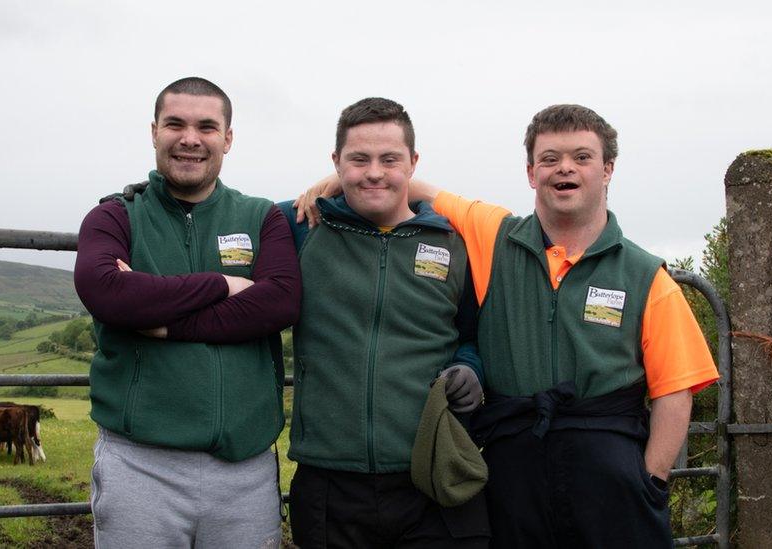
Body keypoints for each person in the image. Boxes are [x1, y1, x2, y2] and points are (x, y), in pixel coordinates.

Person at [296, 104, 719, 548]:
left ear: (608, 169)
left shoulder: (645, 274)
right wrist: (337, 182)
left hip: (609, 470)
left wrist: (649, 481)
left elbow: (675, 389)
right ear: (531, 172)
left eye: (582, 157)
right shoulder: (493, 234)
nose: (565, 169)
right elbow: (411, 187)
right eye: (550, 158)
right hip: (513, 467)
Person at [74, 76, 300, 548]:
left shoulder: (262, 217)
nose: (190, 139)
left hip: (246, 470)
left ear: (228, 138)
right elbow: (107, 293)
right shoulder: (116, 215)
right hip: (140, 466)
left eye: (207, 127)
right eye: (175, 124)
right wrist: (220, 284)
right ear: (154, 131)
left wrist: (165, 323)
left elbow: (278, 302)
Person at [280, 97, 490, 548]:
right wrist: (141, 201)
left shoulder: (455, 243)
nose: (374, 172)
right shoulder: (300, 225)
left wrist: (470, 368)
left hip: (432, 473)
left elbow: (473, 337)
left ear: (413, 163)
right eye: (359, 159)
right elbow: (215, 211)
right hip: (330, 482)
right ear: (336, 164)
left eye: (389, 159)